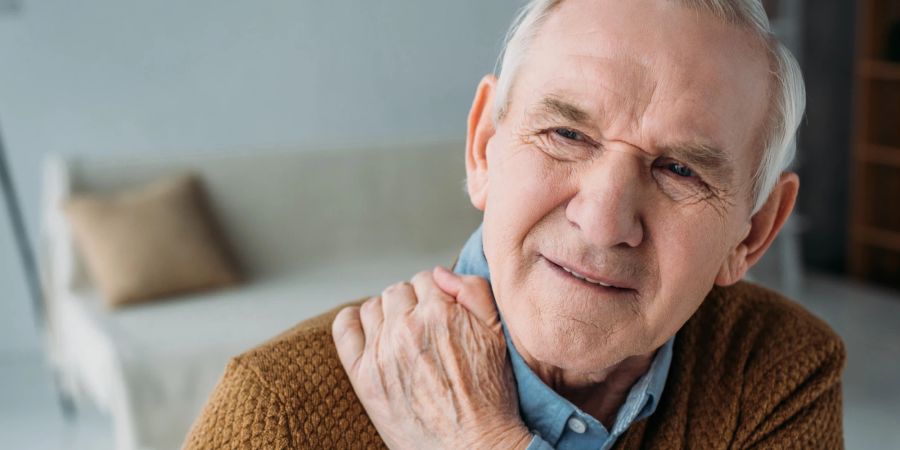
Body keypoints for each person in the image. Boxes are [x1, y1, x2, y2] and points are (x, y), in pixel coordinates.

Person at [184, 0, 845, 448]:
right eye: (566, 132)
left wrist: (483, 439)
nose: (604, 220)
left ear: (753, 233)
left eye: (679, 170)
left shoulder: (781, 372)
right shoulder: (278, 414)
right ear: (481, 148)